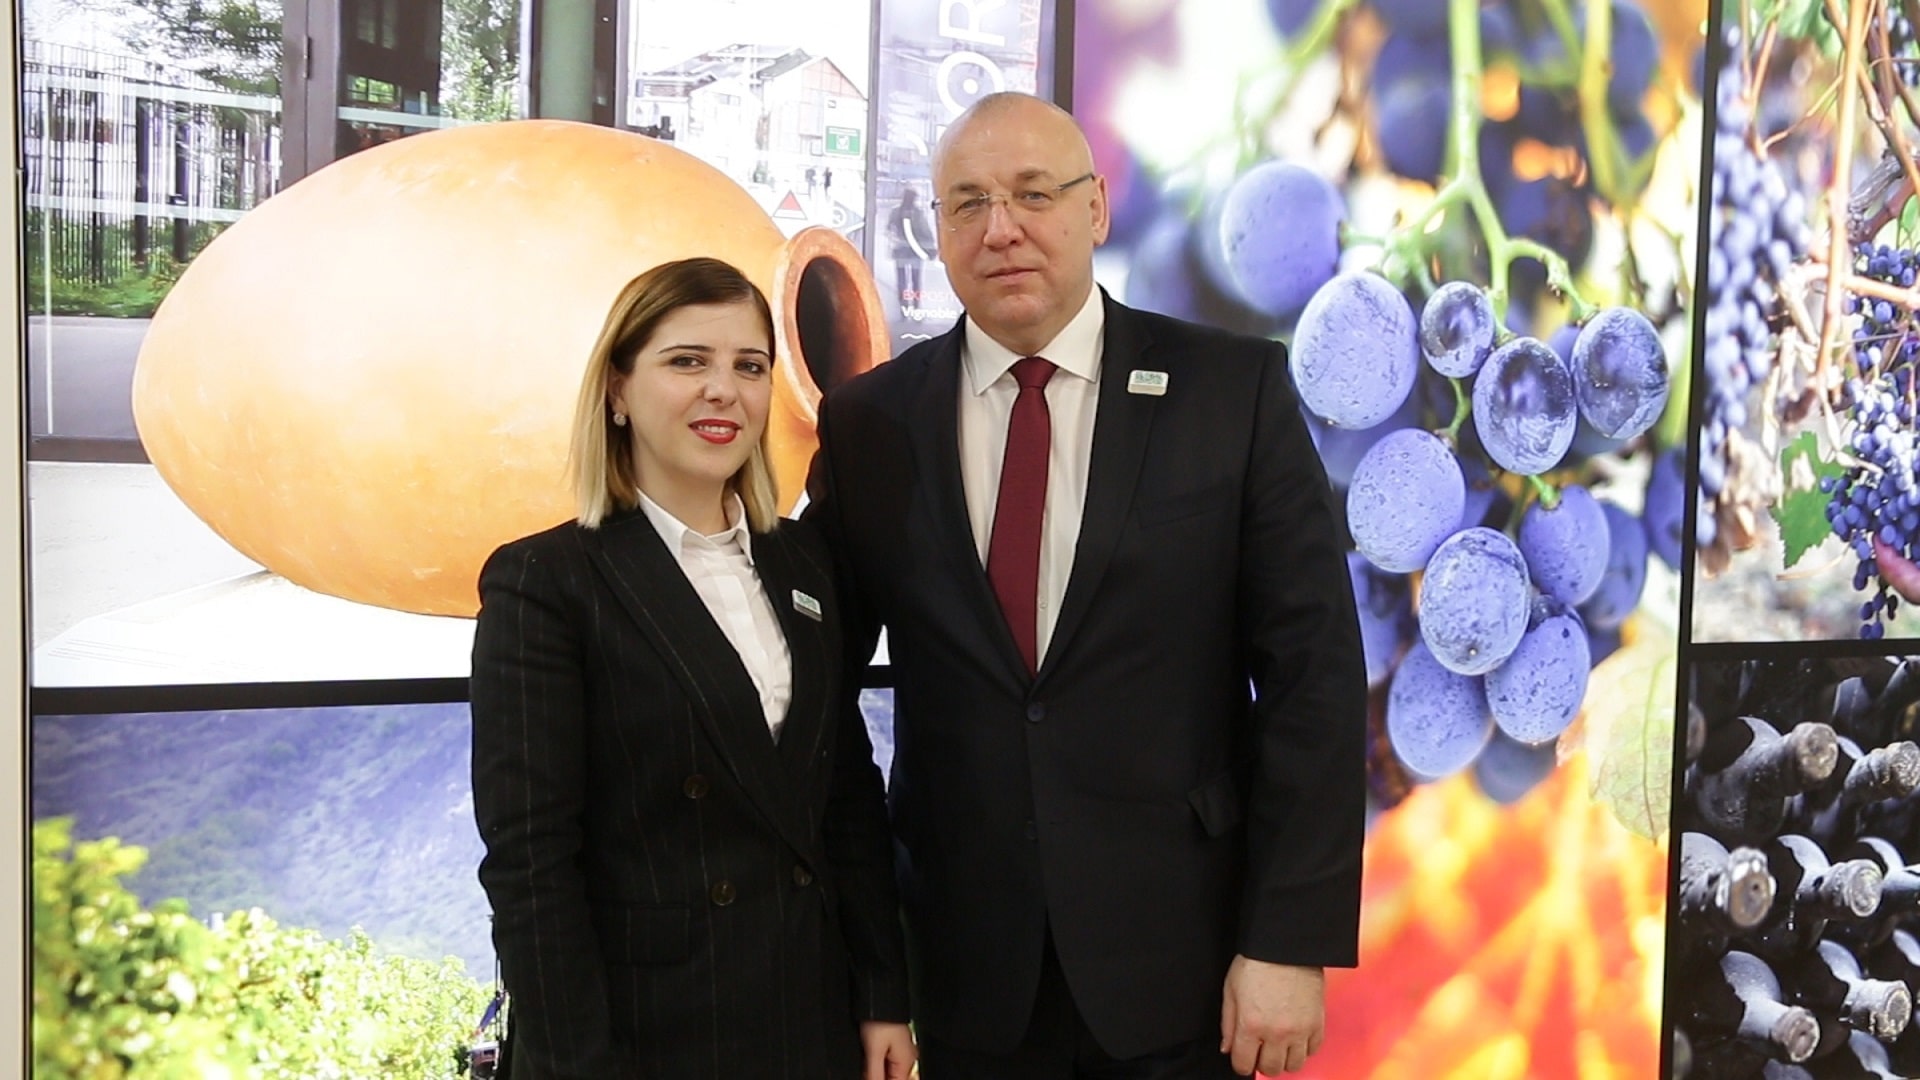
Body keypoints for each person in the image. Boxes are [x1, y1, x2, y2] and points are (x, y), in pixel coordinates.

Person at [804, 93, 1367, 1078]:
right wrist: (873, 972)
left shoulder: (1231, 393)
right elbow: (816, 700)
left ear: (1097, 208)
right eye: (968, 203)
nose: (1001, 228)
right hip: (965, 978)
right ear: (937, 227)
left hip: (1188, 971)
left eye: (1034, 193)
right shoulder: (870, 427)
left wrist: (1288, 937)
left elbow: (1312, 677)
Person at [470, 256, 916, 1080]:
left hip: (808, 1018)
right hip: (644, 1034)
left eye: (749, 366)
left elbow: (843, 796)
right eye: (687, 361)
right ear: (617, 389)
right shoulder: (545, 581)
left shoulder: (805, 561)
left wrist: (883, 993)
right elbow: (530, 864)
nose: (724, 391)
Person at [888, 186, 930, 309]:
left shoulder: (912, 212)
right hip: (908, 249)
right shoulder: (913, 212)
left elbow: (889, 228)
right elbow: (924, 230)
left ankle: (909, 304)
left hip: (910, 250)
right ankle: (908, 304)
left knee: (909, 279)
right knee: (909, 279)